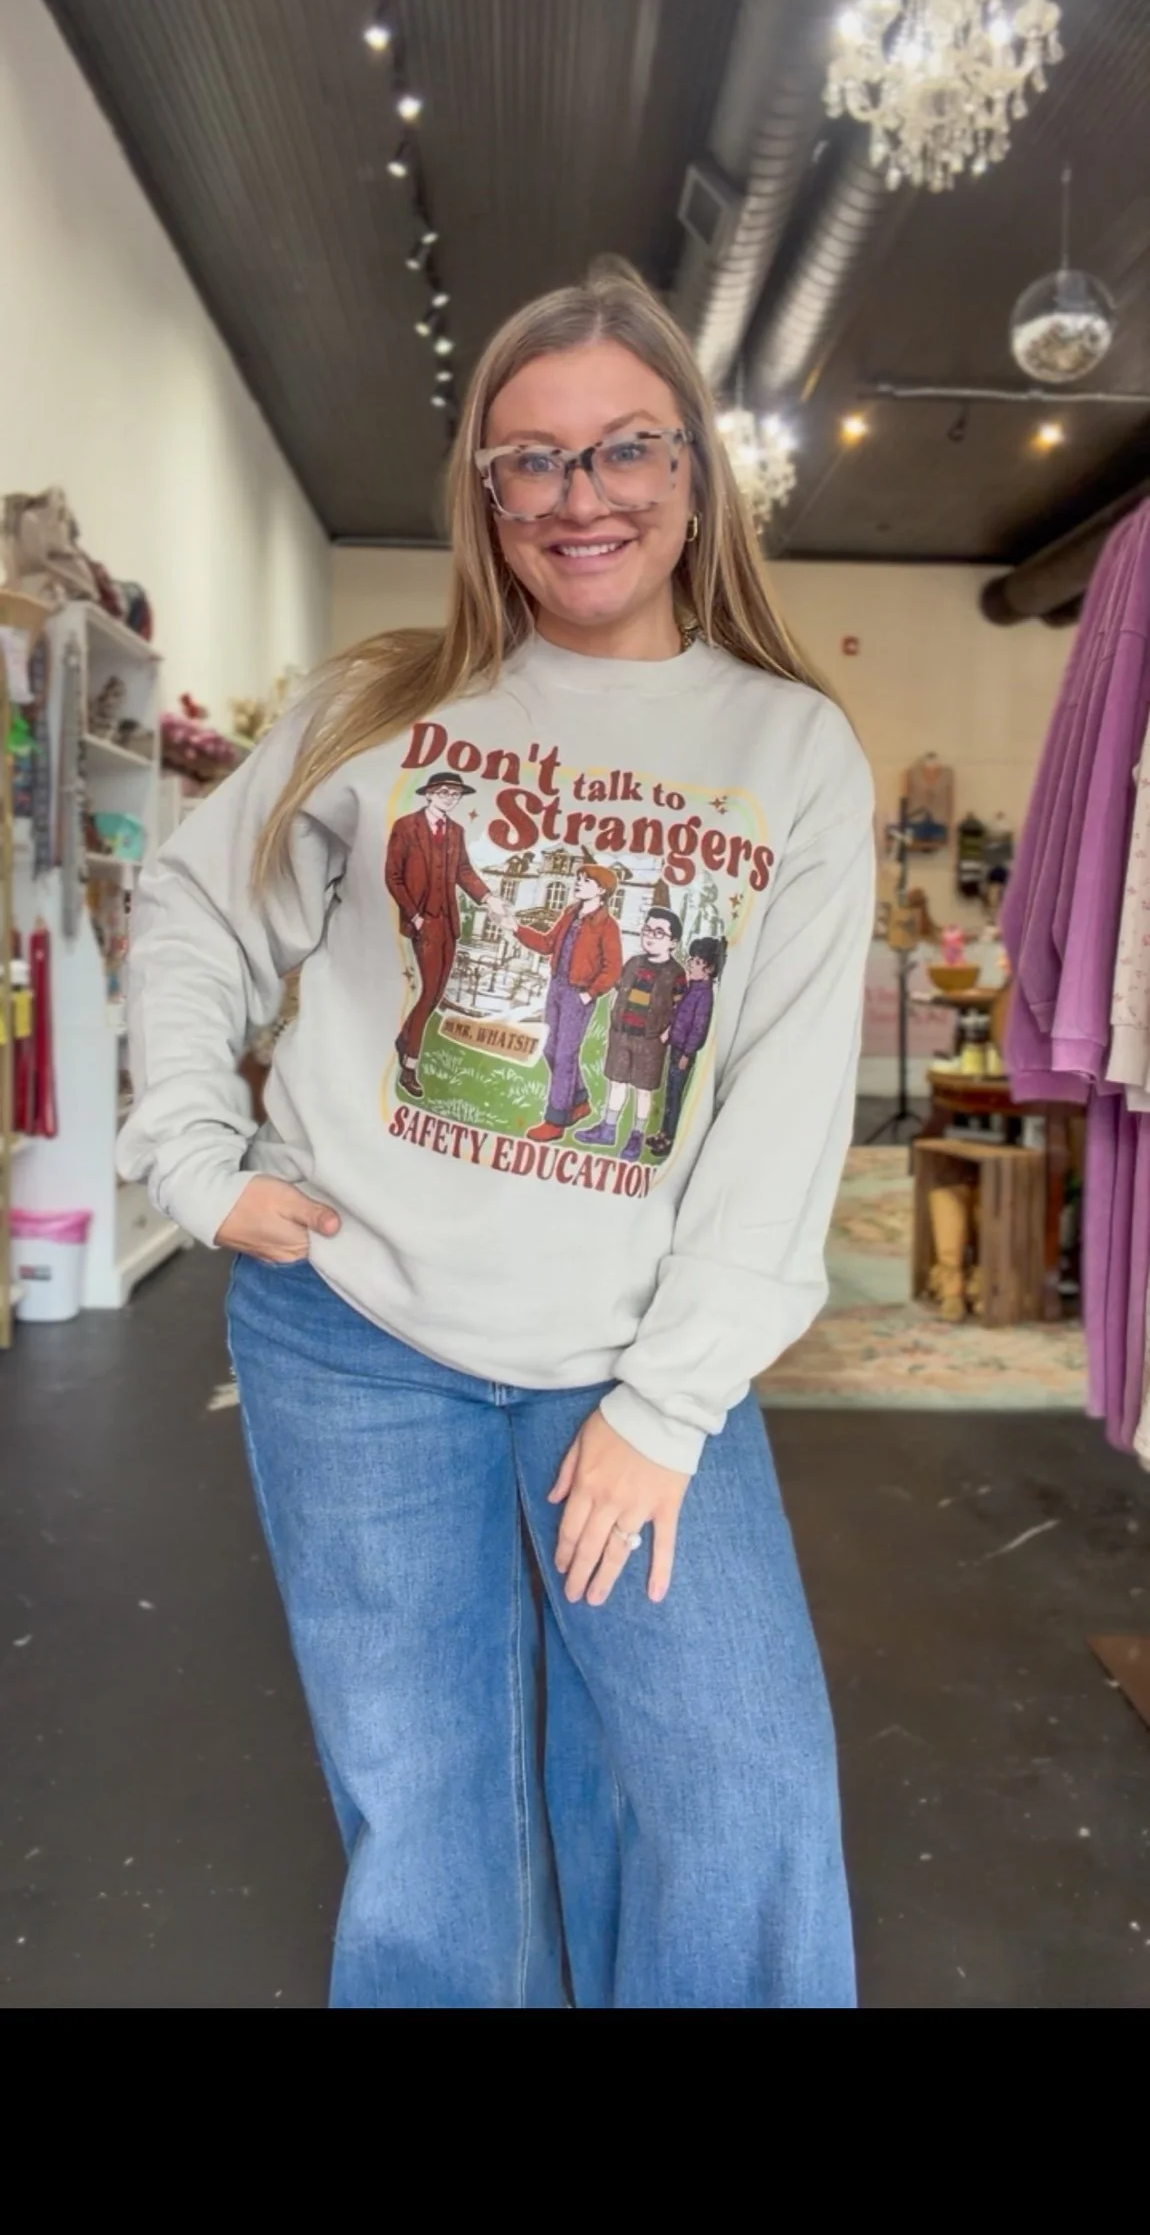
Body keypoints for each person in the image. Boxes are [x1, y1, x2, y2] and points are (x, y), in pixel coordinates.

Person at [118, 255, 875, 2010]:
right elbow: (191, 902)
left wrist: (663, 1408)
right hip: (352, 1340)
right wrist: (191, 1158)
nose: (577, 495)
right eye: (528, 459)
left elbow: (780, 1111)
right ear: (485, 493)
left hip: (628, 1360)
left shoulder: (789, 747)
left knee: (738, 1798)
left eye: (623, 447)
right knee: (432, 1825)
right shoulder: (384, 702)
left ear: (693, 471)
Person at [384, 769, 506, 1097]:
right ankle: (409, 1066)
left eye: (454, 794)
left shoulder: (456, 831)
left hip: (448, 922)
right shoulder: (406, 826)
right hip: (423, 921)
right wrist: (415, 916)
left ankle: (405, 1039)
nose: (449, 798)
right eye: (443, 792)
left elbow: (463, 871)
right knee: (428, 993)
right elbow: (393, 875)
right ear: (428, 794)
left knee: (436, 994)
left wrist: (488, 898)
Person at [503, 862, 623, 1143]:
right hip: (556, 987)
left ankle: (555, 1120)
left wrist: (590, 993)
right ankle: (579, 1101)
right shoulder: (570, 913)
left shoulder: (607, 926)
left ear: (602, 890)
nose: (578, 883)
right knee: (551, 1049)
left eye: (586, 880)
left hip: (578, 995)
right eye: (578, 878)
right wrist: (517, 928)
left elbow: (613, 968)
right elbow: (547, 944)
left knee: (565, 1055)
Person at [576, 900, 685, 1160]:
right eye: (647, 930)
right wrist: (613, 1021)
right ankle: (608, 1128)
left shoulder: (676, 973)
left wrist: (667, 1033)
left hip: (650, 1041)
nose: (651, 937)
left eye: (659, 933)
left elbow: (680, 1008)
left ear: (673, 942)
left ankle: (636, 1135)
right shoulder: (634, 963)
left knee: (642, 1089)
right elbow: (618, 992)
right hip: (622, 1034)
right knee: (616, 1082)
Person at [646, 932, 727, 1160]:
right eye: (692, 959)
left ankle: (670, 1137)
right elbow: (679, 1014)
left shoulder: (705, 996)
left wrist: (687, 1054)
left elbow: (698, 1028)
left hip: (684, 1052)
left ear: (709, 969)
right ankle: (663, 1132)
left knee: (675, 1096)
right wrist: (669, 1032)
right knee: (669, 1093)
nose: (691, 964)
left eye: (697, 962)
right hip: (676, 1046)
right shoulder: (693, 988)